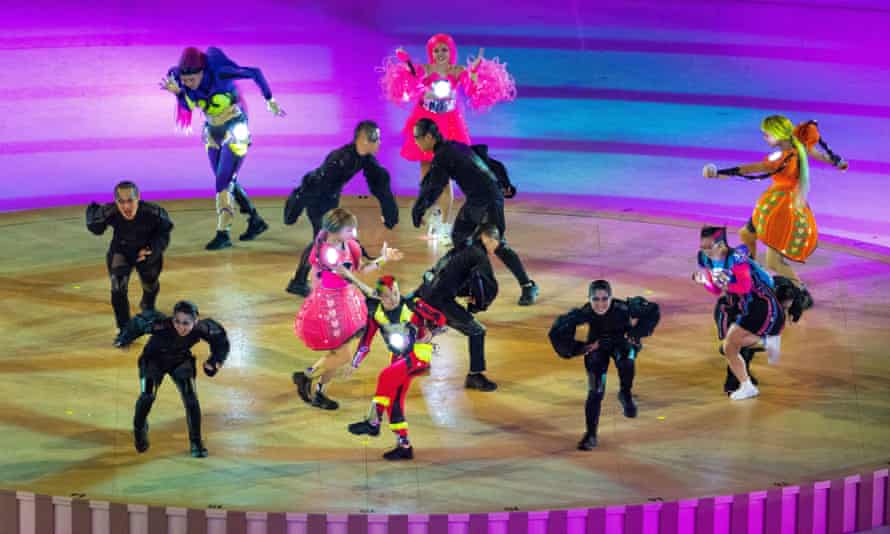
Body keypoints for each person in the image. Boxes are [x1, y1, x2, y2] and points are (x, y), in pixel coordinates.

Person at [380, 33, 516, 240]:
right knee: (427, 174)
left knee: (446, 176)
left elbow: (472, 90)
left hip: (449, 125)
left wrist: (474, 75)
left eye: (444, 49)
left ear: (451, 51)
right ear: (430, 52)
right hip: (426, 122)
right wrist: (408, 65)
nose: (440, 54)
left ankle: (444, 222)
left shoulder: (458, 70)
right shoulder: (424, 70)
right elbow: (411, 81)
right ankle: (432, 214)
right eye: (436, 50)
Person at [703, 116, 848, 307]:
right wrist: (834, 161)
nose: (765, 138)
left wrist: (721, 173)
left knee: (773, 261)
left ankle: (800, 291)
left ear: (778, 134)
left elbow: (753, 168)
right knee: (746, 234)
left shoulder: (784, 158)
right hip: (773, 204)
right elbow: (815, 152)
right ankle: (752, 275)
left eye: (767, 134)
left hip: (780, 210)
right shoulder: (798, 147)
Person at [161, 46, 284, 250]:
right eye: (185, 81)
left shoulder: (221, 72)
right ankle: (255, 220)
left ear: (202, 72)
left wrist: (270, 100)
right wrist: (178, 93)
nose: (188, 84)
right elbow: (189, 106)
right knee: (225, 178)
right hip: (212, 130)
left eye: (192, 80)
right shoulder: (177, 77)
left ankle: (223, 233)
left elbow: (255, 72)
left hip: (235, 126)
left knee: (223, 180)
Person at [411, 118, 538, 306]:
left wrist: (419, 210)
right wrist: (504, 182)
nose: (415, 142)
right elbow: (488, 162)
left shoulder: (444, 155)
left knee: (496, 244)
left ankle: (527, 286)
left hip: (488, 200)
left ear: (429, 137)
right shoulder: (452, 147)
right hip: (476, 200)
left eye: (417, 138)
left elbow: (435, 186)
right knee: (459, 236)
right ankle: (471, 282)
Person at [291, 208, 402, 409]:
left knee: (338, 354)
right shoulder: (326, 250)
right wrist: (366, 288)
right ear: (335, 230)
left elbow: (360, 268)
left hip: (345, 301)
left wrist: (383, 259)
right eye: (350, 230)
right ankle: (306, 376)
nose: (354, 233)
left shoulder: (350, 245)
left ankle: (319, 391)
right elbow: (344, 273)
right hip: (329, 306)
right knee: (343, 355)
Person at [284, 121, 399, 296]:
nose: (380, 143)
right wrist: (300, 205)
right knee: (320, 240)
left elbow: (379, 182)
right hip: (317, 199)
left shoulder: (364, 158)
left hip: (329, 200)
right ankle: (301, 281)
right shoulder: (340, 158)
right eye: (377, 139)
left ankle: (303, 280)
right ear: (365, 140)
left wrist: (389, 212)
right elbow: (314, 183)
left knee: (322, 240)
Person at [549, 280, 660, 450]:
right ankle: (591, 434)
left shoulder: (623, 307)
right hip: (598, 347)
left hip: (621, 343)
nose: (600, 304)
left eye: (604, 299)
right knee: (595, 390)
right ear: (589, 299)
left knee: (626, 362)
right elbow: (557, 330)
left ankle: (625, 394)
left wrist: (635, 333)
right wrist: (580, 348)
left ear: (611, 297)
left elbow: (653, 310)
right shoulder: (585, 312)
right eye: (596, 299)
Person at [345, 275, 447, 461]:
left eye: (396, 293)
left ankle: (373, 421)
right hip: (398, 358)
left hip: (418, 353)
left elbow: (440, 319)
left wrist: (431, 332)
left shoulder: (414, 304)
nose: (393, 298)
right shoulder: (376, 314)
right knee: (393, 401)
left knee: (385, 377)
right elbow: (365, 342)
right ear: (380, 297)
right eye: (388, 296)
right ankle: (404, 445)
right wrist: (355, 362)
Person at [114, 301, 229, 458]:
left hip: (180, 360)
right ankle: (139, 429)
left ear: (195, 321)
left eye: (186, 323)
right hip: (153, 360)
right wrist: (124, 338)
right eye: (177, 321)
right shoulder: (160, 324)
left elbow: (221, 341)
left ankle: (196, 442)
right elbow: (139, 322)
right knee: (147, 395)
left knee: (191, 398)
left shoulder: (204, 328)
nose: (180, 327)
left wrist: (215, 361)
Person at [693, 226, 785, 401]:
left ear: (721, 246)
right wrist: (705, 281)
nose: (705, 252)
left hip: (761, 301)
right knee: (730, 346)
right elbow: (715, 290)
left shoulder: (737, 258)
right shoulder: (705, 258)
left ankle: (749, 379)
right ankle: (748, 383)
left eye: (708, 247)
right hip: (742, 303)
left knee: (730, 345)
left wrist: (723, 285)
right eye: (702, 247)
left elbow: (744, 287)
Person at [413, 223, 502, 391]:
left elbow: (444, 271)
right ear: (486, 238)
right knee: (477, 330)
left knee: (430, 329)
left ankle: (413, 361)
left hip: (426, 294)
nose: (496, 246)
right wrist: (479, 303)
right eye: (495, 241)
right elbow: (488, 286)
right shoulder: (479, 255)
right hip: (441, 300)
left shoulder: (462, 248)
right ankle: (475, 376)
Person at [86, 181, 174, 339]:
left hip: (147, 252)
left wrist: (152, 249)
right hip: (121, 251)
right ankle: (125, 328)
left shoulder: (153, 212)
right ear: (116, 202)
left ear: (138, 198)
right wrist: (93, 220)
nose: (126, 207)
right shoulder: (110, 211)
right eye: (121, 202)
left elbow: (164, 233)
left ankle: (148, 305)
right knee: (118, 289)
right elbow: (95, 223)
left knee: (150, 282)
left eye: (130, 201)